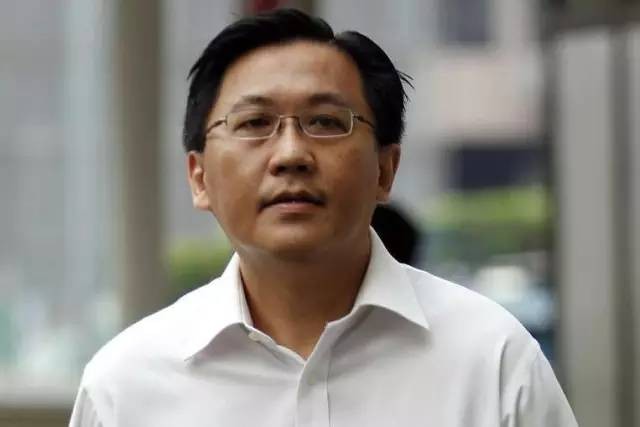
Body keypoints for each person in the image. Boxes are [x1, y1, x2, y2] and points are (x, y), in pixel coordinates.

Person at [70, 9, 578, 426]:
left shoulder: (493, 361)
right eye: (255, 123)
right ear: (199, 177)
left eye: (326, 122)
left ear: (385, 169)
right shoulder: (125, 389)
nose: (291, 154)